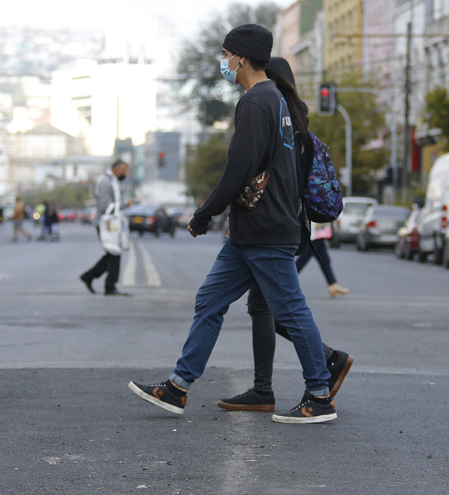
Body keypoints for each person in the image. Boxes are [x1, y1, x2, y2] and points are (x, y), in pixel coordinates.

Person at [129, 24, 336, 424]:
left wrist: (204, 213)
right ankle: (177, 387)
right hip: (251, 231)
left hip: (265, 230)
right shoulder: (274, 100)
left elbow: (238, 168)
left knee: (291, 310)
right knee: (210, 300)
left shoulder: (258, 102)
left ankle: (320, 395)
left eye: (226, 55)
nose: (223, 62)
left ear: (241, 58)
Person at [215, 56, 353, 414]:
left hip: (274, 229)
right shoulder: (293, 124)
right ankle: (272, 386)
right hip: (280, 227)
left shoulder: (285, 127)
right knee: (264, 307)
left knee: (281, 309)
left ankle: (318, 370)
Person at [79, 160, 131, 296]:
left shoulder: (112, 181)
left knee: (112, 253)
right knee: (114, 253)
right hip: (106, 224)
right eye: (124, 171)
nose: (124, 174)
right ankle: (109, 285)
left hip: (112, 223)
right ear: (116, 169)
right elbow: (104, 206)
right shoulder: (105, 182)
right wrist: (124, 205)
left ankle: (91, 277)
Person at [296, 222, 350, 298]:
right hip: (314, 232)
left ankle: (333, 284)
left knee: (324, 260)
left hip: (319, 232)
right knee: (303, 260)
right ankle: (284, 280)